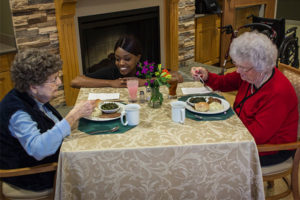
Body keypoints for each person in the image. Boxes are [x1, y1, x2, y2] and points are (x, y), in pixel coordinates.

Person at [190, 31, 298, 166]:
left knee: (211, 157)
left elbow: (257, 136)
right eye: (237, 65)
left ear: (262, 67)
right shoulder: (251, 74)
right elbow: (224, 82)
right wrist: (206, 76)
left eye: (243, 68)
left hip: (269, 149)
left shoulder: (277, 92)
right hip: (243, 132)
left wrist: (223, 132)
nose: (238, 71)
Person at [0, 49, 97, 192]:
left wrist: (77, 114)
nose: (59, 82)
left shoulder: (34, 96)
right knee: (93, 167)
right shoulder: (18, 113)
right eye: (53, 80)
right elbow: (38, 149)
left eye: (58, 77)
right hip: (32, 176)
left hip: (45, 162)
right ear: (33, 87)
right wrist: (73, 116)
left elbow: (53, 125)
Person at [71, 35, 183, 88]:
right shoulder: (112, 70)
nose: (121, 63)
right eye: (117, 59)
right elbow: (75, 81)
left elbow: (177, 77)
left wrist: (142, 82)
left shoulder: (145, 67)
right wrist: (110, 83)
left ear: (138, 57)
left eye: (127, 59)